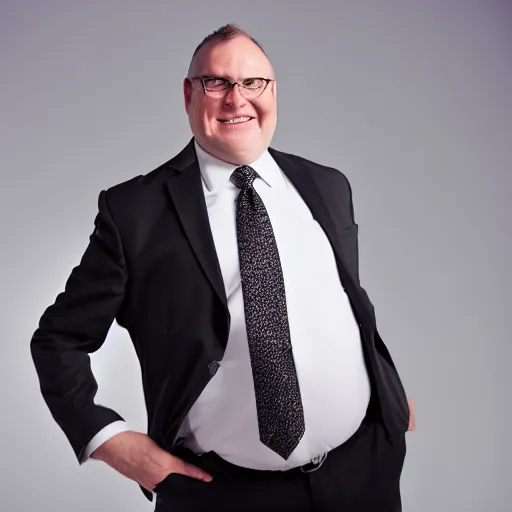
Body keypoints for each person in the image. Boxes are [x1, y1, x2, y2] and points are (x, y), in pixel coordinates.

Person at [30, 23, 415, 511]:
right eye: (217, 83)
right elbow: (58, 340)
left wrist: (388, 391)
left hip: (362, 475)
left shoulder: (326, 185)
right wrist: (109, 440)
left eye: (253, 83)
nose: (237, 99)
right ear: (189, 94)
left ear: (273, 92)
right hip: (223, 495)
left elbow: (344, 303)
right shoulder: (135, 214)